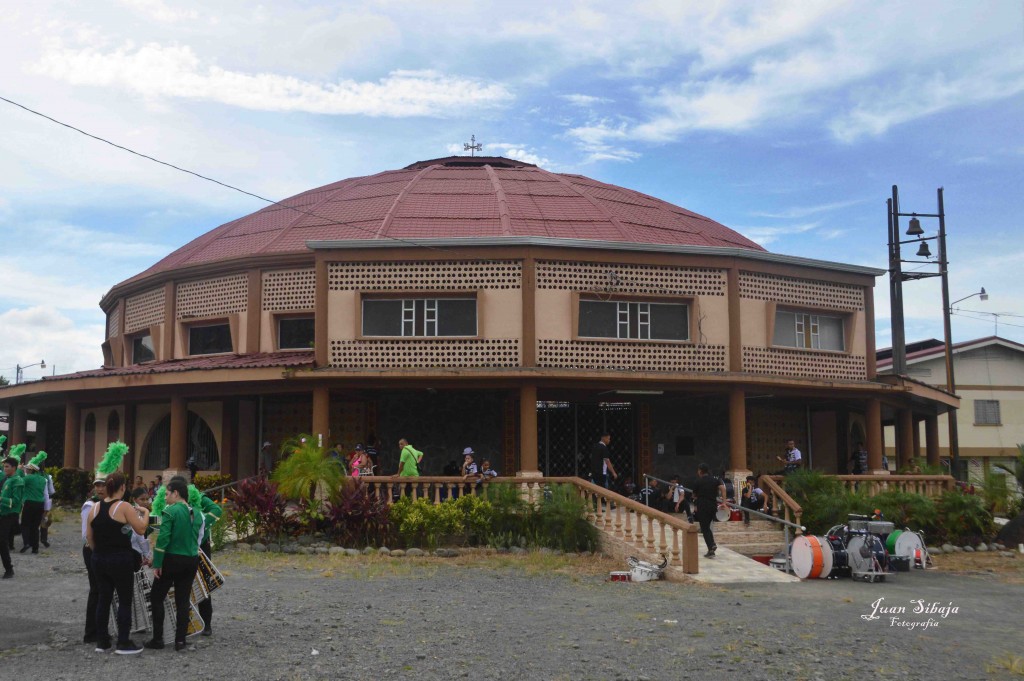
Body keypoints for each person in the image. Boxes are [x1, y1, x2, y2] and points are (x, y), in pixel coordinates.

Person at [87, 471, 150, 654]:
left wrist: (98, 552)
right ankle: (123, 642)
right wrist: (145, 512)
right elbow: (141, 529)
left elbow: (89, 537)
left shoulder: (95, 508)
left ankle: (102, 641)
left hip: (98, 558)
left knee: (103, 599)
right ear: (123, 487)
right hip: (120, 558)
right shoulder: (124, 507)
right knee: (124, 600)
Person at [146, 477, 203, 651]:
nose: (164, 497)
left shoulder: (171, 511)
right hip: (191, 559)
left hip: (172, 559)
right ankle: (180, 641)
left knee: (156, 597)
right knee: (183, 600)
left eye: (167, 493)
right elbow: (197, 538)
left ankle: (157, 639)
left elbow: (163, 539)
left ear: (176, 493)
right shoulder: (196, 512)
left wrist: (157, 563)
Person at [81, 477, 109, 643]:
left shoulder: (110, 504)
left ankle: (100, 629)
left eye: (103, 485)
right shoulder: (90, 505)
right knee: (97, 590)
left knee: (104, 591)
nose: (99, 489)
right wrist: (97, 553)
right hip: (93, 550)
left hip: (104, 551)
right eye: (97, 485)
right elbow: (87, 535)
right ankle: (91, 632)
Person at [691, 463, 727, 558]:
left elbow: (694, 495)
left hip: (703, 506)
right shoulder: (715, 480)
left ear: (700, 471)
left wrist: (696, 501)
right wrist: (724, 502)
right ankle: (712, 544)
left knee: (705, 528)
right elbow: (723, 489)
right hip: (713, 506)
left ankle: (711, 548)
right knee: (707, 527)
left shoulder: (698, 481)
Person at [0, 456, 25, 578]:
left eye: (7, 466)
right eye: (4, 466)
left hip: (9, 516)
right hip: (2, 514)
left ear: (14, 468)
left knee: (2, 542)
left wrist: (1, 499)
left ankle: (9, 569)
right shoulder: (7, 479)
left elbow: (16, 501)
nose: (4, 468)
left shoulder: (17, 481)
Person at [20, 452, 49, 554]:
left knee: (25, 525)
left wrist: (20, 470)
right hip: (40, 504)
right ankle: (35, 548)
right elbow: (46, 495)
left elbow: (19, 482)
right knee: (35, 527)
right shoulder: (43, 479)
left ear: (31, 470)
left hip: (29, 503)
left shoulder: (28, 478)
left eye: (27, 468)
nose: (26, 470)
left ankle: (26, 543)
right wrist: (47, 509)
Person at [40, 464, 56, 548]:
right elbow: (52, 491)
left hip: (31, 501)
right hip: (45, 501)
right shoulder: (47, 477)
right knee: (43, 520)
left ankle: (30, 540)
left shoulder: (28, 476)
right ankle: (44, 539)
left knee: (31, 522)